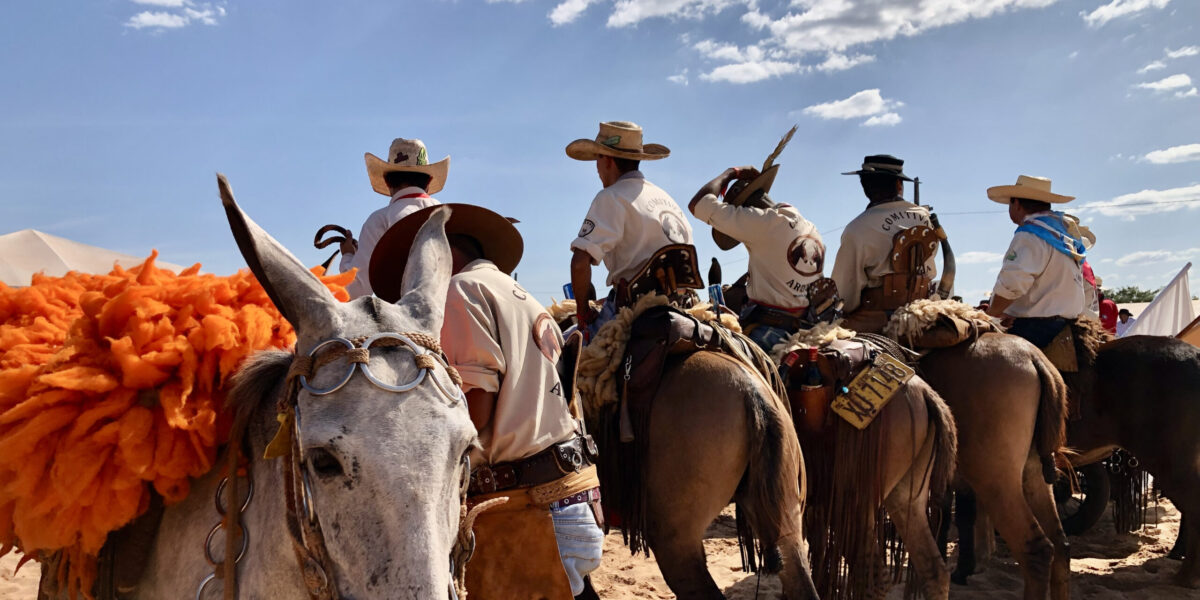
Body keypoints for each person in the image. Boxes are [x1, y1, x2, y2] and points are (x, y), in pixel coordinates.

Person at [369, 204, 603, 600]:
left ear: (443, 257)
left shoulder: (460, 292)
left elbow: (477, 408)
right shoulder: (521, 293)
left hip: (527, 512)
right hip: (569, 496)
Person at [566, 121, 693, 337]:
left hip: (632, 310)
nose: (596, 168)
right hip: (681, 306)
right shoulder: (667, 199)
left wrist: (582, 313)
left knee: (559, 349)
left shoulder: (611, 197)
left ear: (607, 160)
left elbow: (580, 263)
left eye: (597, 158)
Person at [688, 160, 828, 352]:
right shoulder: (810, 227)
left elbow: (698, 204)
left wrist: (731, 173)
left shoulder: (764, 223)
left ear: (747, 210)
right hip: (803, 326)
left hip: (769, 332)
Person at [830, 154, 937, 333]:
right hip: (925, 310)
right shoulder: (925, 217)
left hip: (877, 319)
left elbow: (845, 294)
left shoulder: (857, 228)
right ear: (899, 185)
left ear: (865, 187)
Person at [984, 175, 1087, 347]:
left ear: (1016, 204)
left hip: (1035, 328)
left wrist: (991, 315)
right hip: (1068, 324)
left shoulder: (1029, 234)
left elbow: (1012, 284)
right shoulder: (1063, 235)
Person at [340, 137, 448, 298]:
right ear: (429, 181)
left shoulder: (379, 220)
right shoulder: (451, 216)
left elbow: (357, 290)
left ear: (386, 181)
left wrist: (348, 256)